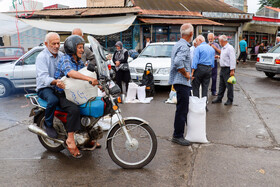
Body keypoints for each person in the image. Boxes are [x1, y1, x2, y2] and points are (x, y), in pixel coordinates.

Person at [54, 35, 99, 158]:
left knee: (89, 104)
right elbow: (71, 73)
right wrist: (89, 79)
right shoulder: (65, 59)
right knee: (74, 109)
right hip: (61, 93)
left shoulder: (79, 61)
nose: (82, 50)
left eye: (82, 47)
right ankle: (70, 139)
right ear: (72, 48)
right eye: (79, 47)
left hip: (73, 92)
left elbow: (84, 75)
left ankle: (87, 136)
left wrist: (98, 83)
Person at [36, 32, 65, 139]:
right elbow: (43, 77)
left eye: (58, 43)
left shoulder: (61, 55)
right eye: (53, 44)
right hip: (45, 88)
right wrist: (56, 81)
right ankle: (48, 124)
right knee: (53, 100)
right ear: (46, 44)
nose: (57, 46)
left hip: (59, 86)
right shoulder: (41, 57)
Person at [168, 23, 193, 146]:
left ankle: (180, 133)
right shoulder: (184, 46)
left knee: (181, 109)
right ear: (191, 34)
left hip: (179, 82)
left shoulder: (178, 44)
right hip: (182, 82)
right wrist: (186, 74)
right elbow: (178, 61)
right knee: (182, 110)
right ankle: (178, 135)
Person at [212, 35, 236, 106]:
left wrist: (232, 70)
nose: (219, 42)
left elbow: (232, 59)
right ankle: (219, 98)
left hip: (228, 69)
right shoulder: (223, 48)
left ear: (222, 41)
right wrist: (219, 56)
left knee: (229, 85)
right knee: (221, 85)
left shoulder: (230, 48)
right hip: (222, 68)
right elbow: (225, 57)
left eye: (219, 41)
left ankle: (230, 100)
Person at [191, 35, 215, 103]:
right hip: (208, 69)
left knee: (195, 87)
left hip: (200, 68)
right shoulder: (211, 49)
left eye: (196, 41)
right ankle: (204, 106)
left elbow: (195, 61)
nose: (196, 43)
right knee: (205, 88)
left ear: (200, 40)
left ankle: (197, 105)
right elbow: (213, 62)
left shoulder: (198, 48)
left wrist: (192, 72)